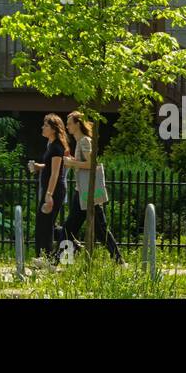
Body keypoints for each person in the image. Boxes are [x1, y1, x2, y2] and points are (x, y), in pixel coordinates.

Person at [63, 111, 124, 264]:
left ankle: (119, 260)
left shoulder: (84, 141)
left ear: (78, 124)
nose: (67, 126)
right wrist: (74, 161)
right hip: (81, 191)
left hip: (87, 192)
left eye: (69, 123)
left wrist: (71, 163)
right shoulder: (80, 142)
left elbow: (92, 164)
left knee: (99, 229)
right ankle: (62, 260)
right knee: (71, 228)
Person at [26, 113, 69, 264]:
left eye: (45, 125)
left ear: (53, 129)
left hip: (54, 190)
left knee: (45, 224)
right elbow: (50, 166)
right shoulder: (50, 145)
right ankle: (43, 256)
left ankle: (46, 258)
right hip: (49, 189)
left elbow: (56, 173)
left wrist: (49, 194)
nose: (42, 127)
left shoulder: (57, 147)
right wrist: (39, 166)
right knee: (43, 223)